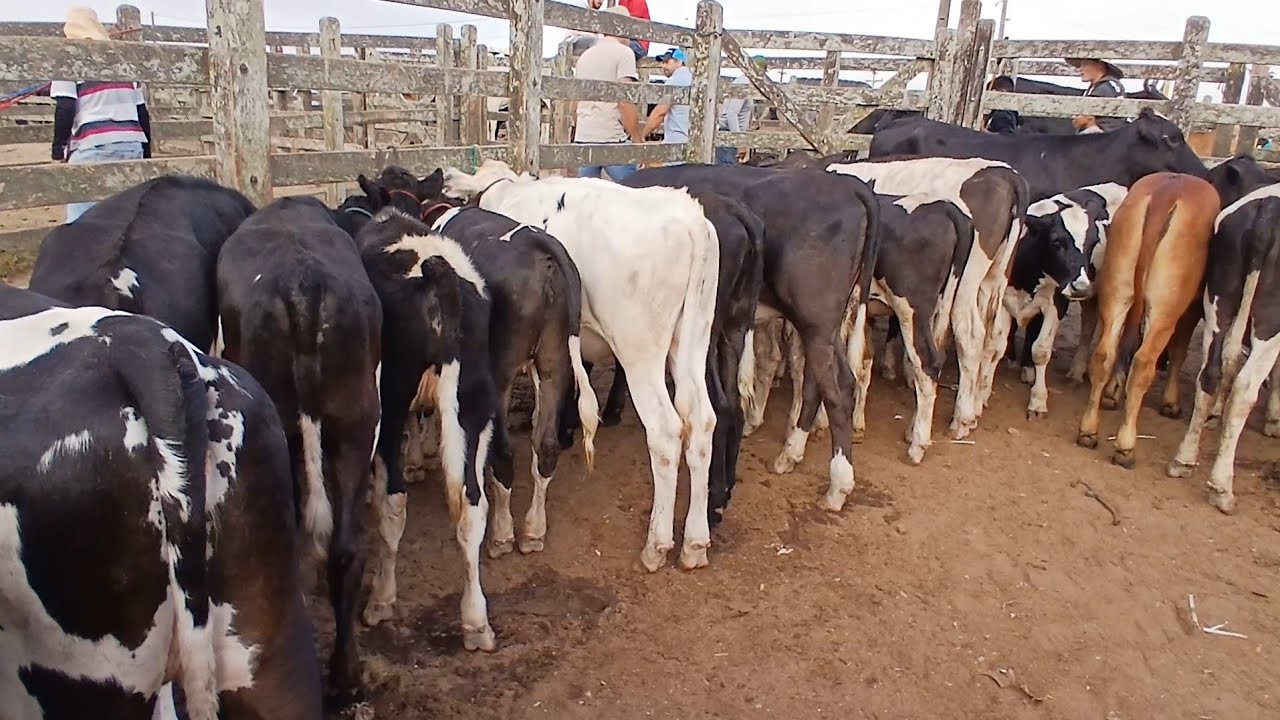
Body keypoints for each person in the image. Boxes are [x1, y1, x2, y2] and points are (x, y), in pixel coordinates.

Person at [51, 7, 152, 223]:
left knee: (82, 220)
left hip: (93, 146)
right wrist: (147, 150)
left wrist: (58, 150)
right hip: (132, 144)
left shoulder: (69, 58)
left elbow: (65, 107)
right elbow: (142, 112)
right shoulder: (121, 61)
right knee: (127, 218)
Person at [574, 5, 644, 181]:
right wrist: (638, 141)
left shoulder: (585, 56)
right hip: (611, 138)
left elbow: (574, 101)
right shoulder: (624, 53)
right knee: (632, 192)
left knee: (586, 198)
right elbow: (624, 101)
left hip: (584, 138)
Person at [716, 55, 767, 164]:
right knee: (727, 173)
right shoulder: (743, 83)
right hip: (730, 135)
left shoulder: (745, 82)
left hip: (731, 135)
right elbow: (731, 114)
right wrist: (739, 142)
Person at [641, 48, 692, 153]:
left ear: (679, 61)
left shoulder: (674, 81)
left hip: (676, 141)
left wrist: (642, 134)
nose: (663, 66)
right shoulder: (693, 79)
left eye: (667, 62)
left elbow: (660, 112)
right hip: (692, 141)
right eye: (663, 62)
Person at [1066, 57, 1126, 134]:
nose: (1080, 69)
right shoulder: (1111, 84)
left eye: (1085, 64)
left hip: (1105, 135)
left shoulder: (1103, 87)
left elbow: (1083, 120)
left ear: (1100, 65)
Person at [586, 0, 650, 59]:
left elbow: (629, 22)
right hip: (625, 41)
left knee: (609, 46)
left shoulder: (637, 1)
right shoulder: (622, 1)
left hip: (639, 45)